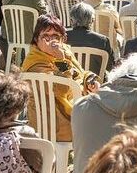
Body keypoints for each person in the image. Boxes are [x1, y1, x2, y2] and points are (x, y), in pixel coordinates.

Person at [20, 15, 96, 144]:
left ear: (63, 39)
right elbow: (62, 89)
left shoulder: (64, 51)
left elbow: (79, 73)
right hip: (54, 123)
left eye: (56, 36)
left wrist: (90, 80)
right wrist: (61, 60)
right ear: (36, 40)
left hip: (73, 108)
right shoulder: (35, 63)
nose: (52, 42)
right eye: (46, 37)